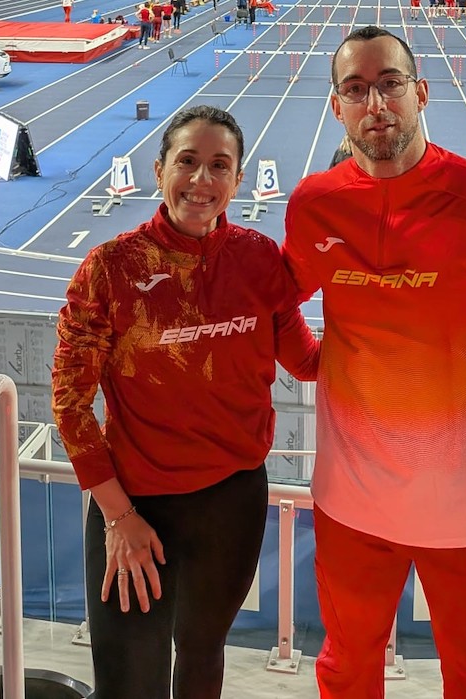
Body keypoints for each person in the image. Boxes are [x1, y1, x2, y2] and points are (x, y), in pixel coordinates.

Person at [282, 26, 466, 698]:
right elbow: (276, 300)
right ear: (337, 107)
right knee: (345, 672)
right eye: (356, 89)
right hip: (350, 507)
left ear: (420, 92)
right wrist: (313, 362)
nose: (375, 104)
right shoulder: (314, 206)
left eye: (389, 83)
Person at [52, 105, 320, 699]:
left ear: (238, 181)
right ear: (160, 170)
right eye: (188, 162)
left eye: (219, 166)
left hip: (232, 501)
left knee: (202, 658)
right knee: (130, 679)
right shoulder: (110, 269)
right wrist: (119, 517)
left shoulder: (258, 259)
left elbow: (307, 361)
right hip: (135, 505)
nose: (201, 180)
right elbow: (70, 403)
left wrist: (385, 313)